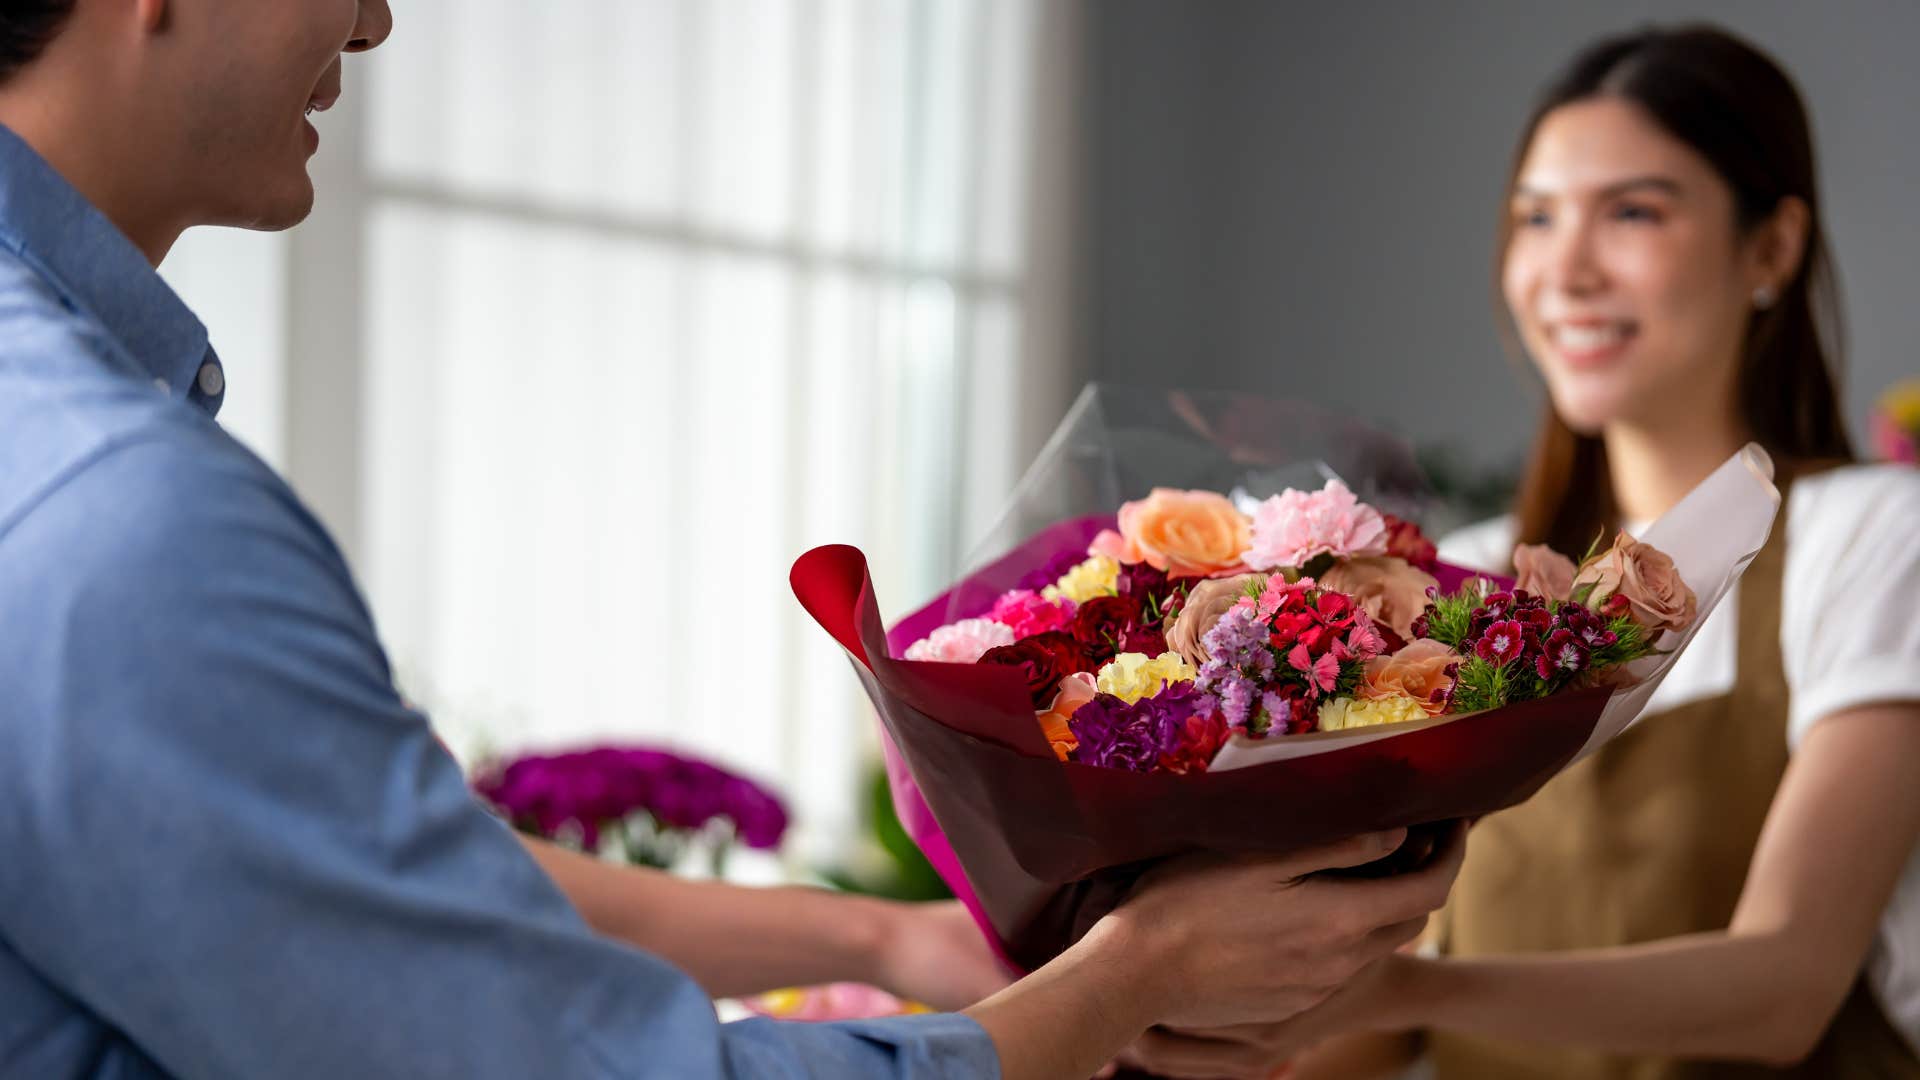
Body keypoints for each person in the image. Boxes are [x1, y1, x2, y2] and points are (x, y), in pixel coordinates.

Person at [0, 3, 1468, 1078]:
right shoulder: (120, 510)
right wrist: (1129, 980)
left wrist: (883, 944)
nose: (379, 22)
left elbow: (342, 890)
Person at [1108, 23, 1920, 1080]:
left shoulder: (1871, 535)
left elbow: (1785, 987)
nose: (1565, 269)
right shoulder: (1456, 584)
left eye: (1633, 212)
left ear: (1770, 247)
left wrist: (1406, 985)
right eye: (1536, 218)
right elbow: (1382, 1023)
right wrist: (1167, 1010)